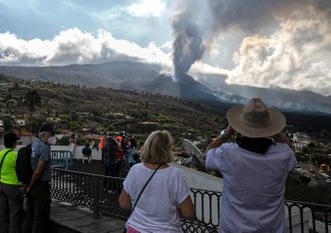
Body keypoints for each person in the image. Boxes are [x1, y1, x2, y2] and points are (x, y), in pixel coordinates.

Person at [204, 98, 297, 233]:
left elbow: (207, 154)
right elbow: (292, 152)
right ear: (270, 127)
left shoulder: (228, 153)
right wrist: (275, 132)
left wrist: (227, 133)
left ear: (240, 127)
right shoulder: (282, 155)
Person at [119, 130, 195, 232]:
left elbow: (124, 204)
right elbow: (189, 213)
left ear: (147, 146)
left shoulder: (135, 169)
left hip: (136, 228)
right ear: (167, 149)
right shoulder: (174, 175)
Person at [23, 123, 56, 233]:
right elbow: (39, 170)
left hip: (31, 185)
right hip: (40, 186)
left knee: (29, 216)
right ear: (44, 134)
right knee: (40, 218)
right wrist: (30, 185)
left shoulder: (34, 144)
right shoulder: (45, 148)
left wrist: (28, 185)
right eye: (51, 134)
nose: (53, 136)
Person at [0, 131, 23, 233]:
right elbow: (22, 171)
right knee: (14, 214)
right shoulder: (16, 155)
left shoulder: (0, 154)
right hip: (14, 187)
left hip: (2, 185)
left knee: (2, 212)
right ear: (14, 143)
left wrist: (4, 176)